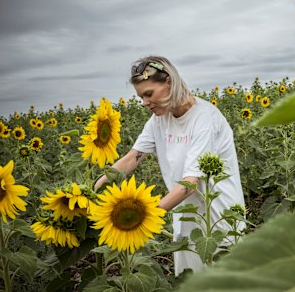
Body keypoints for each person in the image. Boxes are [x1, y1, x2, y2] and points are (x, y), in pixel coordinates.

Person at [94, 55, 245, 276]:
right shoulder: (159, 120)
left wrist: (143, 220)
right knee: (190, 291)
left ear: (169, 82)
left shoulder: (204, 118)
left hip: (220, 219)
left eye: (148, 94)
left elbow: (190, 183)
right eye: (141, 97)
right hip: (185, 217)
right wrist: (94, 190)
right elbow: (133, 157)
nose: (145, 102)